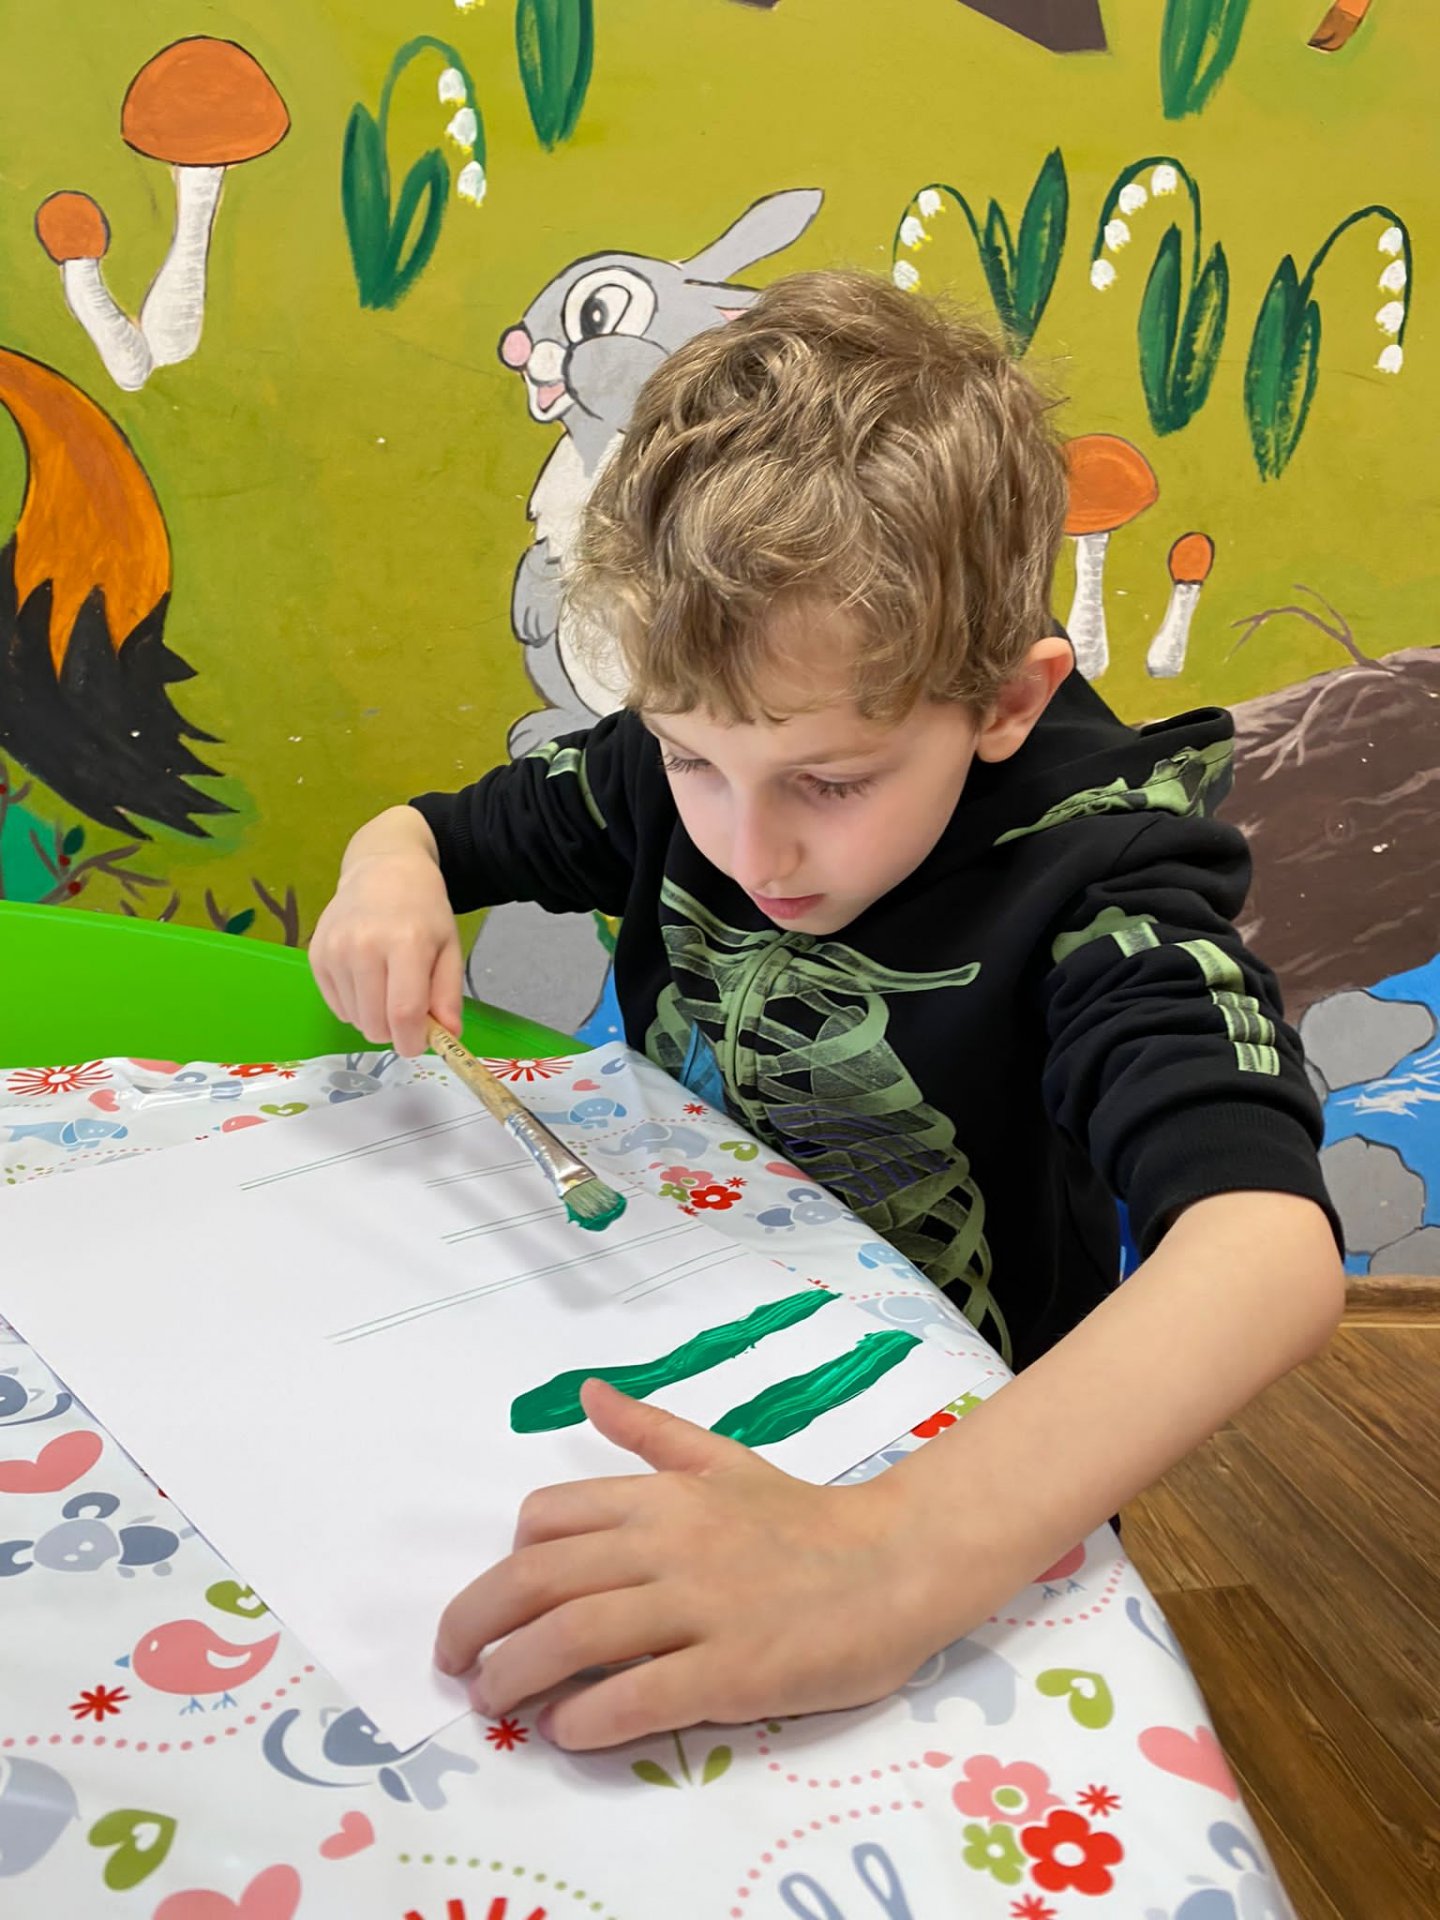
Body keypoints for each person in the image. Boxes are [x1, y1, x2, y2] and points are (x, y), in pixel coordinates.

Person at [309, 270, 1342, 1753]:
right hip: (675, 1343)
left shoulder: (1104, 874)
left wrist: (892, 1558)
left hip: (961, 1486)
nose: (751, 847)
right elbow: (433, 832)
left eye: (833, 782)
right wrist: (386, 874)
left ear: (1007, 702)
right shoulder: (686, 750)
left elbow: (1267, 1248)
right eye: (691, 763)